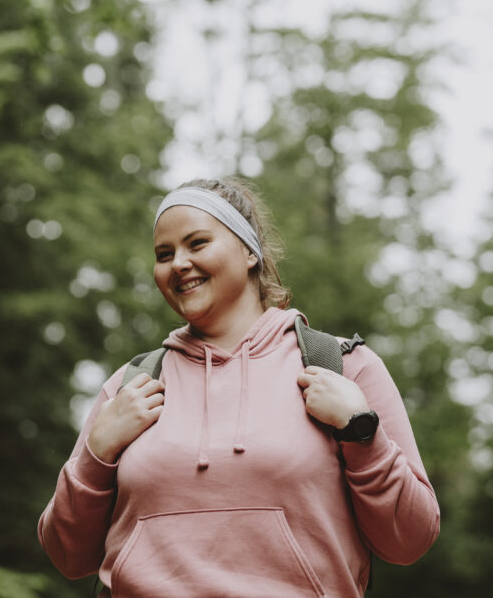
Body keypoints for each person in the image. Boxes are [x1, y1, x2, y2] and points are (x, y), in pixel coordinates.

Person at [38, 177, 440, 597]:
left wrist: (361, 432)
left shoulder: (341, 366)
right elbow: (67, 556)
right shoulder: (132, 386)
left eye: (197, 243)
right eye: (164, 254)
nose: (178, 263)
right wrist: (95, 454)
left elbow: (409, 540)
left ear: (251, 252)